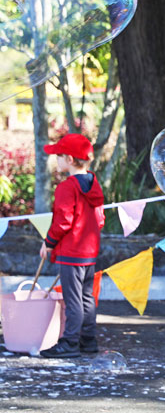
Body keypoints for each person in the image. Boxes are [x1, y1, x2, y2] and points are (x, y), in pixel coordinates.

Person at [39, 133, 105, 359]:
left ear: (68, 159)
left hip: (72, 252)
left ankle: (69, 343)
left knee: (73, 299)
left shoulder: (67, 187)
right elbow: (100, 219)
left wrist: (48, 243)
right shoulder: (94, 184)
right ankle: (88, 341)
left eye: (58, 155)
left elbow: (63, 221)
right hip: (89, 253)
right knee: (87, 298)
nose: (56, 160)